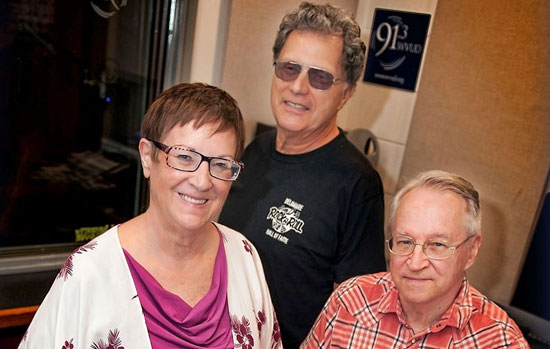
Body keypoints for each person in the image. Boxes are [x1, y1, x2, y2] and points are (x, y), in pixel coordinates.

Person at [19, 83, 282, 349]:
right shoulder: (88, 274)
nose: (202, 182)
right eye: (185, 157)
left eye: (221, 164)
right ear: (147, 157)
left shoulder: (243, 255)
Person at [219, 2, 386, 347]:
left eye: (320, 77)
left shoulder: (357, 185)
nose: (298, 86)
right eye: (289, 68)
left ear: (347, 92)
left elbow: (357, 318)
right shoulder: (255, 150)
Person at [302, 170, 529, 348]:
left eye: (437, 245)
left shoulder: (500, 342)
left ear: (471, 251)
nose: (415, 263)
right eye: (405, 242)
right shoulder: (350, 301)